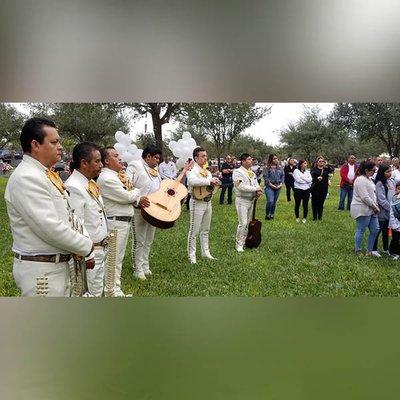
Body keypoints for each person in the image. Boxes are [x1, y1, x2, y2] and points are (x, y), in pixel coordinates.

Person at [4, 118, 93, 297]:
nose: (60, 146)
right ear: (35, 145)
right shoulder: (27, 177)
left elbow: (68, 215)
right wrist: (87, 246)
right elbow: (49, 227)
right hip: (42, 272)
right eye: (54, 142)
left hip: (54, 266)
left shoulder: (44, 174)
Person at [97, 147, 142, 296]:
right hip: (115, 222)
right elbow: (128, 197)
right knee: (113, 258)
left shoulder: (115, 176)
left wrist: (132, 194)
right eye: (116, 156)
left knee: (118, 257)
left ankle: (115, 288)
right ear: (107, 161)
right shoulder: (107, 178)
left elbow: (129, 197)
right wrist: (137, 192)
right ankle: (111, 291)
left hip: (122, 221)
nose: (120, 158)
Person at [65, 142, 108, 296]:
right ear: (84, 163)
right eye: (97, 161)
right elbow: (76, 225)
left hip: (99, 249)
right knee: (84, 294)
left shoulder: (89, 183)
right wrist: (87, 253)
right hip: (87, 254)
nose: (101, 165)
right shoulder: (74, 186)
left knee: (96, 292)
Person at [126, 145, 162, 280]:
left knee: (149, 239)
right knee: (139, 240)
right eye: (156, 158)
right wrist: (138, 199)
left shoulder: (155, 170)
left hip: (153, 209)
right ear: (148, 156)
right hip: (139, 209)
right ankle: (138, 268)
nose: (158, 161)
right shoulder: (134, 166)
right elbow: (127, 185)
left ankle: (145, 265)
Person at [187, 147, 220, 264]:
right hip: (197, 202)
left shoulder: (208, 172)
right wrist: (209, 181)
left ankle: (206, 252)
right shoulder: (191, 169)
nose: (205, 158)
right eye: (203, 156)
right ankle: (192, 256)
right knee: (194, 230)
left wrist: (215, 182)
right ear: (196, 158)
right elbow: (192, 181)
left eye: (206, 156)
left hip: (208, 201)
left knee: (205, 229)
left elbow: (210, 186)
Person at [232, 153, 263, 252]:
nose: (251, 161)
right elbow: (240, 187)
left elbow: (256, 183)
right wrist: (255, 189)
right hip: (242, 200)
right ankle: (239, 244)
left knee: (249, 223)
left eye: (251, 159)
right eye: (249, 159)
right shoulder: (237, 172)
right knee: (243, 223)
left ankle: (246, 240)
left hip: (251, 200)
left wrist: (258, 191)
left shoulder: (252, 173)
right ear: (243, 161)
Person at [350, 160, 380, 256]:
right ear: (366, 170)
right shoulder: (360, 180)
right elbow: (364, 197)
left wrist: (375, 204)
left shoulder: (369, 179)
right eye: (373, 170)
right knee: (361, 229)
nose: (374, 172)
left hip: (372, 208)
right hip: (362, 208)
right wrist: (374, 206)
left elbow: (373, 194)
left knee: (375, 229)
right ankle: (358, 250)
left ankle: (369, 250)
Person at [372, 164, 394, 256]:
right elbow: (381, 200)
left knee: (386, 231)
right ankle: (373, 249)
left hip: (389, 212)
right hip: (382, 212)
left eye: (390, 171)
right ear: (382, 172)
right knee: (378, 230)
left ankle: (386, 249)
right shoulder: (379, 183)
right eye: (387, 172)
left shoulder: (390, 182)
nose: (390, 173)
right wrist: (391, 208)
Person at [310, 156, 335, 221]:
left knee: (321, 203)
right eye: (320, 161)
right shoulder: (314, 169)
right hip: (315, 188)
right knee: (315, 203)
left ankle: (320, 217)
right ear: (317, 162)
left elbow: (332, 169)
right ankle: (315, 217)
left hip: (324, 188)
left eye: (322, 161)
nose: (321, 162)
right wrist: (317, 178)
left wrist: (326, 164)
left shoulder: (326, 169)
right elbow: (311, 179)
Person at [263, 154, 284, 220]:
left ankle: (272, 214)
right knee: (270, 201)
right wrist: (272, 185)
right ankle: (267, 214)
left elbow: (282, 176)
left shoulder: (280, 168)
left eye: (276, 158)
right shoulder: (266, 168)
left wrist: (280, 184)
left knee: (274, 202)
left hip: (278, 186)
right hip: (269, 186)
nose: (276, 160)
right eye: (274, 159)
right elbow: (266, 178)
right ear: (270, 160)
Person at [389, 181, 400, 259]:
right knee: (395, 238)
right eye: (399, 189)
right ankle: (393, 252)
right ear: (396, 189)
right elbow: (392, 213)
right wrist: (393, 224)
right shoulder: (394, 199)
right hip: (395, 223)